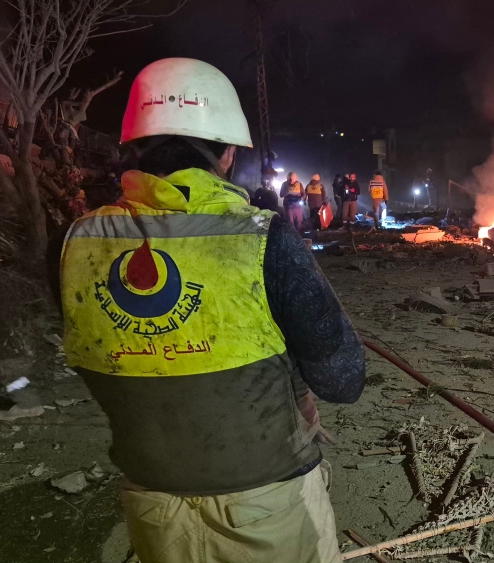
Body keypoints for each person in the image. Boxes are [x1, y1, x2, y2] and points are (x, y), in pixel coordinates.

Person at [55, 58, 364, 563]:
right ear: (225, 155)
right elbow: (343, 380)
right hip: (266, 503)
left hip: (152, 505)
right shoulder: (264, 237)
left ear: (131, 148)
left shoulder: (73, 243)